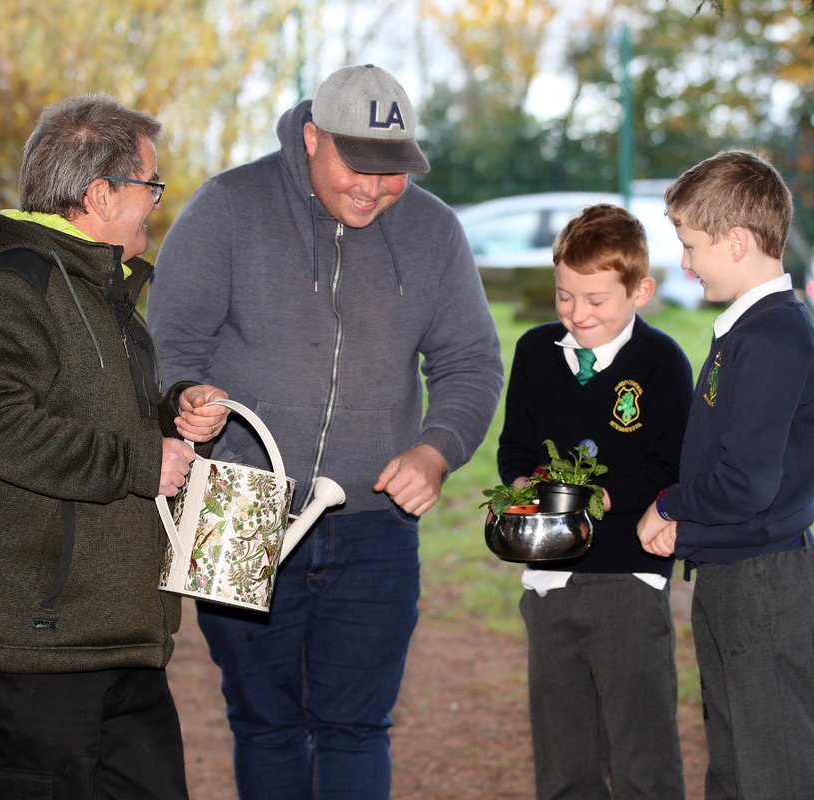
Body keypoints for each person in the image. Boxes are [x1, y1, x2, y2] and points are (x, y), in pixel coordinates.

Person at [147, 64, 503, 799]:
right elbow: (169, 344)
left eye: (393, 171)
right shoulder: (227, 207)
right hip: (237, 507)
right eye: (358, 166)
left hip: (375, 520)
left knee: (356, 726)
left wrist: (437, 451)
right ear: (312, 138)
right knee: (263, 721)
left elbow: (470, 363)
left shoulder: (435, 233)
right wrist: (185, 398)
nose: (375, 188)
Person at [0, 93, 229, 799]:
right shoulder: (13, 282)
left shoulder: (102, 287)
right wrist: (139, 461)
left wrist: (173, 412)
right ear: (100, 193)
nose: (156, 203)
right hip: (33, 655)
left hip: (123, 639)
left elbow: (88, 410)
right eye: (150, 186)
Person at [637, 150, 814, 800]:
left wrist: (671, 507)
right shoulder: (747, 331)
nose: (685, 263)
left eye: (691, 246)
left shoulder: (773, 338)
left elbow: (745, 481)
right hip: (736, 574)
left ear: (738, 242)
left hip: (767, 585)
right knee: (733, 769)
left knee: (771, 776)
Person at [497, 204, 692, 799]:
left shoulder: (662, 364)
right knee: (563, 757)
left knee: (641, 752)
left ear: (641, 290)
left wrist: (609, 495)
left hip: (629, 583)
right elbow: (514, 448)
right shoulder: (533, 353)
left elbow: (673, 467)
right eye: (564, 297)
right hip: (549, 584)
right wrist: (523, 489)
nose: (578, 314)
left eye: (597, 300)